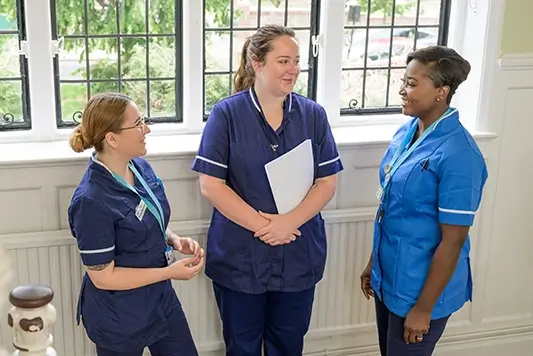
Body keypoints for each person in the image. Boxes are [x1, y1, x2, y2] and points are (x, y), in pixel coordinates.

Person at [191, 24, 344, 356]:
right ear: (256, 63)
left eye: (297, 61)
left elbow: (327, 181)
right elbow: (211, 185)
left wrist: (289, 223)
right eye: (283, 61)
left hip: (298, 253)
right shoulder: (226, 115)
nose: (293, 70)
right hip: (240, 256)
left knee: (288, 345)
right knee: (242, 346)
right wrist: (266, 227)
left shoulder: (313, 115)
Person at [360, 46, 488, 355]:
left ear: (441, 92)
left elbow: (454, 241)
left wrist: (423, 309)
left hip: (420, 291)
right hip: (389, 276)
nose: (403, 90)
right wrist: (373, 264)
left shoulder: (459, 155)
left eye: (413, 84)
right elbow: (392, 206)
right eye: (404, 81)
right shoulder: (408, 132)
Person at [67, 92, 205, 356]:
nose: (147, 129)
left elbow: (147, 218)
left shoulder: (140, 167)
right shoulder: (91, 202)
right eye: (139, 123)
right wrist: (169, 272)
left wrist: (173, 239)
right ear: (112, 138)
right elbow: (104, 277)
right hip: (118, 316)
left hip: (160, 301)